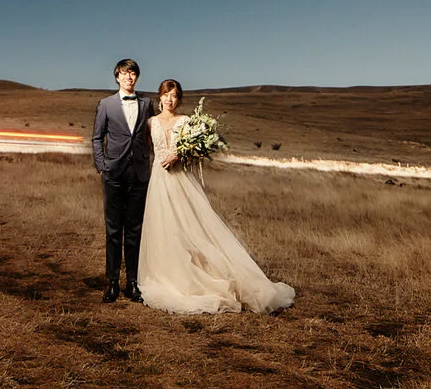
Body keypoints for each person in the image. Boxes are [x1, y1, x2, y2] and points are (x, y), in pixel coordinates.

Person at [137, 78, 295, 314]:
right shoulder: (150, 123)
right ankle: (170, 274)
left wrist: (178, 156)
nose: (170, 100)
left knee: (192, 228)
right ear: (159, 97)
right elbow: (148, 150)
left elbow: (192, 155)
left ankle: (207, 275)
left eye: (174, 96)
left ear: (179, 100)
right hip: (159, 180)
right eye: (166, 95)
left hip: (181, 179)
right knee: (164, 228)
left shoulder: (187, 121)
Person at [91, 57, 157, 302]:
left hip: (139, 174)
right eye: (125, 73)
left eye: (133, 73)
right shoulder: (106, 105)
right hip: (113, 174)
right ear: (117, 76)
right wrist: (102, 166)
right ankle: (111, 283)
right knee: (113, 230)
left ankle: (132, 283)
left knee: (135, 231)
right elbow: (97, 137)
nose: (130, 77)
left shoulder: (147, 103)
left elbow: (152, 136)